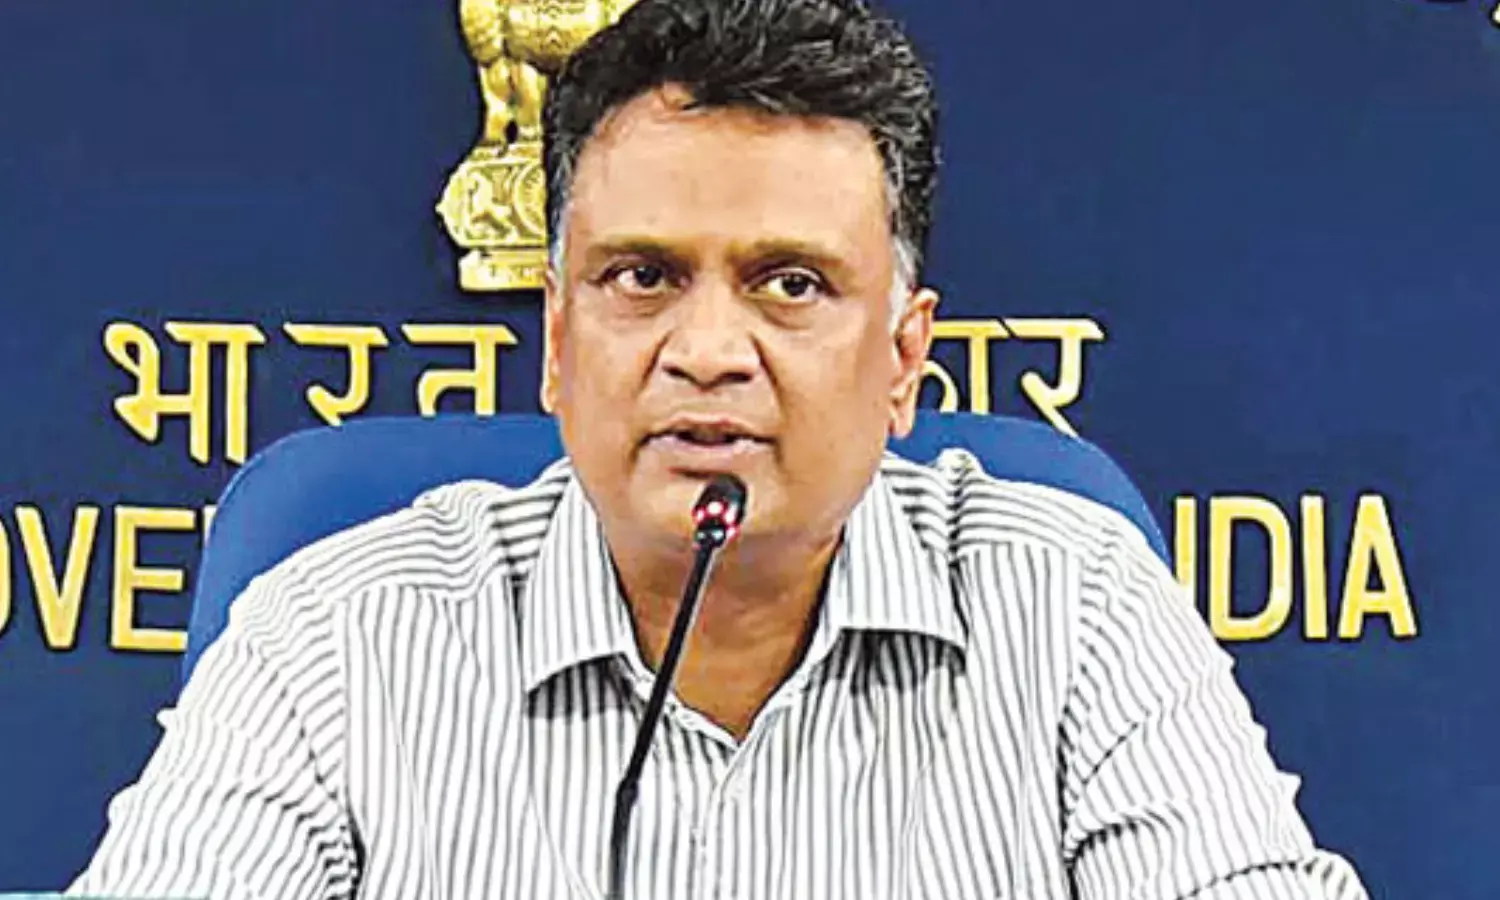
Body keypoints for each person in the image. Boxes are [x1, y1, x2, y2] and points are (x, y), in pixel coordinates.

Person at [71, 0, 1369, 897]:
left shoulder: (1077, 607)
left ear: (905, 359)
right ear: (559, 343)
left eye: (790, 284)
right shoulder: (334, 636)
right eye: (642, 277)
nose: (706, 351)